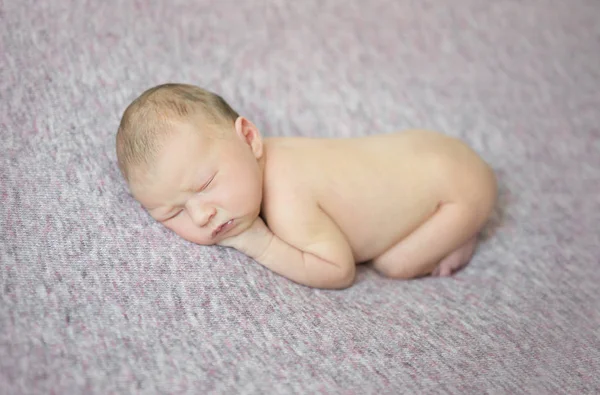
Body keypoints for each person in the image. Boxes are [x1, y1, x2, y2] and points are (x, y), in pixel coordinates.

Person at [116, 83, 497, 289]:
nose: (201, 215)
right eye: (173, 212)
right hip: (429, 148)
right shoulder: (264, 158)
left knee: (394, 264)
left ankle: (466, 229)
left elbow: (338, 270)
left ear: (249, 137)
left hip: (458, 187)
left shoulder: (287, 197)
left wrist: (259, 243)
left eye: (206, 183)